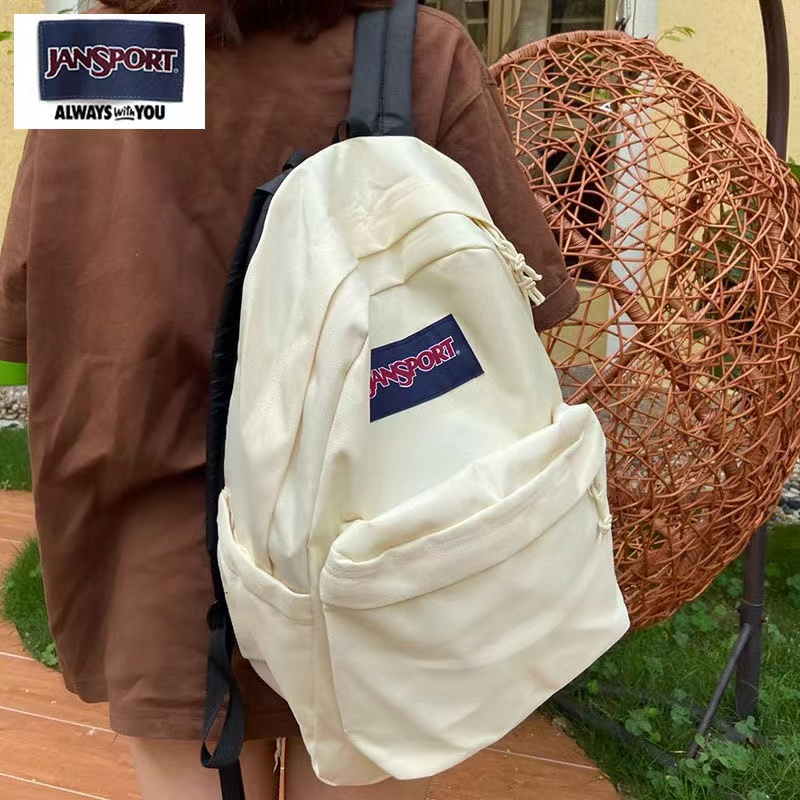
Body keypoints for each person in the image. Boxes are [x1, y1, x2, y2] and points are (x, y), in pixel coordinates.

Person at [0, 1, 579, 798]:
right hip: (375, 530)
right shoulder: (414, 52)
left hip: (161, 543)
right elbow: (517, 306)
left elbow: (41, 302)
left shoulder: (97, 56)